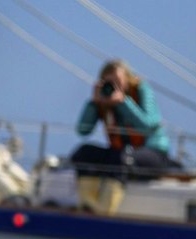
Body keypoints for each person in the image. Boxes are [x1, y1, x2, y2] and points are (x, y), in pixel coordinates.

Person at [70, 60, 179, 211]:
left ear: (128, 79)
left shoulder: (141, 91)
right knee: (83, 153)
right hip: (119, 154)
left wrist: (123, 102)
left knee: (123, 157)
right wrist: (94, 103)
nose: (114, 87)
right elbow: (83, 130)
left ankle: (104, 210)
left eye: (118, 82)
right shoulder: (103, 100)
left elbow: (146, 126)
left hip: (153, 155)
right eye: (109, 83)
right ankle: (88, 205)